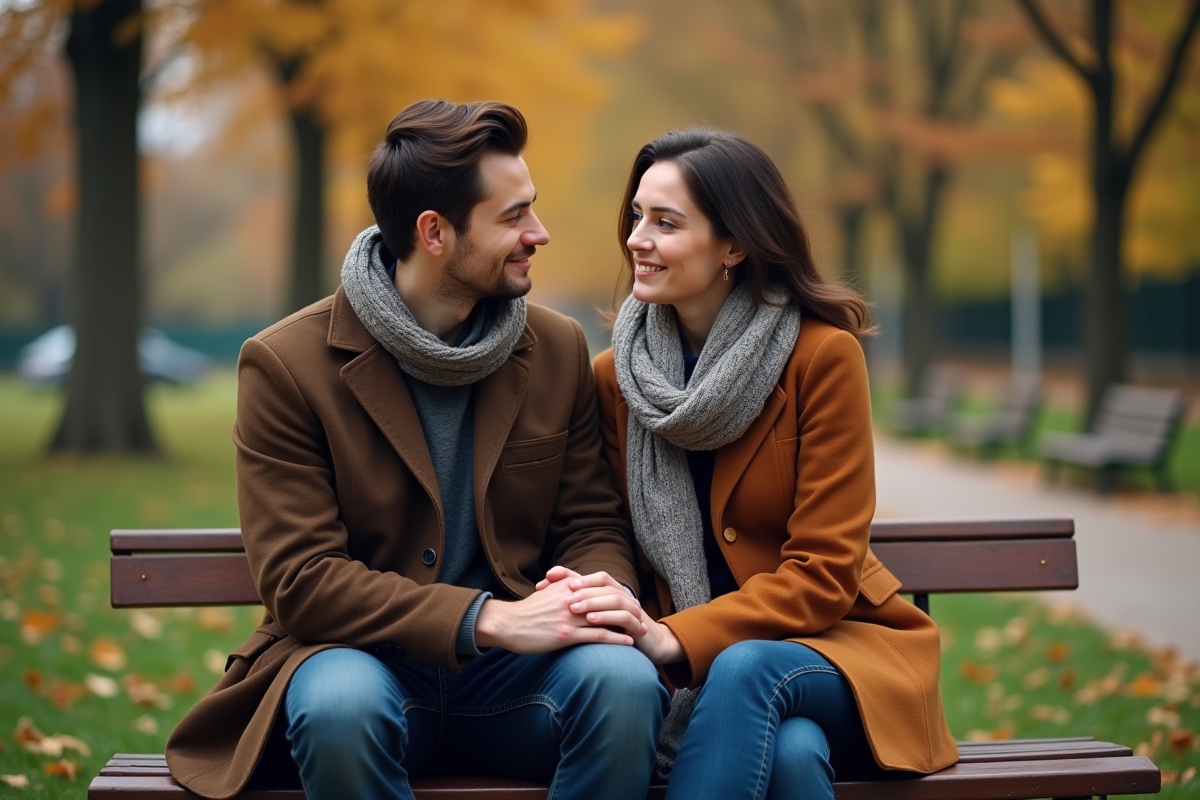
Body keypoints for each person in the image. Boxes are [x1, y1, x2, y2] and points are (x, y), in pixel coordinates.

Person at [164, 99, 666, 800]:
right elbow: (303, 578)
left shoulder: (556, 348)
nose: (538, 233)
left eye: (535, 208)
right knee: (340, 705)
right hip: (360, 660)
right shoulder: (285, 365)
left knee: (624, 682)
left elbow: (591, 522)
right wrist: (487, 619)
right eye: (513, 216)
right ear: (434, 232)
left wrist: (591, 595)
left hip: (517, 680)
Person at [545, 129, 959, 800]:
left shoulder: (822, 359)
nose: (636, 238)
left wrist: (674, 638)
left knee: (745, 669)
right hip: (696, 670)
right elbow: (607, 535)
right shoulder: (613, 379)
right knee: (792, 757)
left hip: (834, 647)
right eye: (637, 216)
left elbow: (825, 575)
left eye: (665, 222)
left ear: (734, 245)